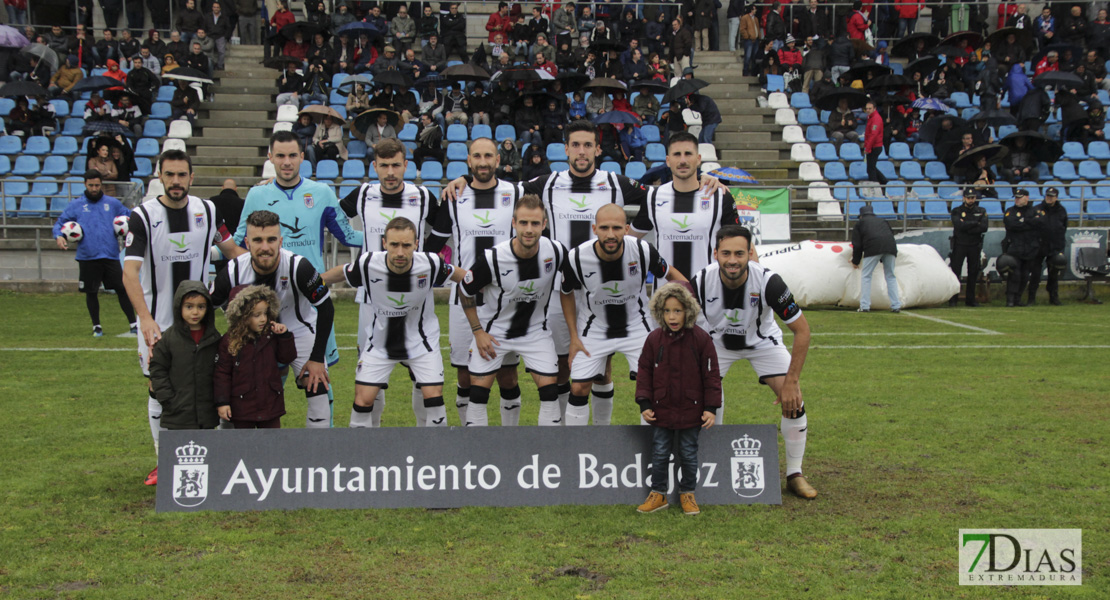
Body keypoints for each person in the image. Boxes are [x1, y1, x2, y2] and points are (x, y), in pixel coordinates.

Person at [123, 150, 245, 485]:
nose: (176, 181)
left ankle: (211, 457)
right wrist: (145, 320)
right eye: (170, 175)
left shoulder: (207, 210)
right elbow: (129, 273)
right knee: (158, 387)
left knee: (208, 384)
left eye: (182, 175)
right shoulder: (143, 217)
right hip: (158, 321)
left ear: (191, 177)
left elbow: (234, 252)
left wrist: (272, 264)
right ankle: (164, 460)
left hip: (200, 319)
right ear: (160, 176)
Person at [689, 225, 815, 498]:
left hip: (761, 343)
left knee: (794, 401)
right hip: (717, 345)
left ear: (750, 253)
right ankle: (711, 467)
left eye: (739, 253)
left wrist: (791, 382)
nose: (732, 260)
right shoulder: (700, 281)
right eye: (725, 253)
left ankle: (795, 473)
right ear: (715, 254)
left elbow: (802, 331)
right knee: (705, 400)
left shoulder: (770, 282)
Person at [322, 217, 467, 427]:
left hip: (422, 343)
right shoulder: (368, 263)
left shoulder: (430, 263)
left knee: (434, 400)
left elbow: (459, 274)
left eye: (407, 245)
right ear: (384, 244)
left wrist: (484, 281)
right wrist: (313, 281)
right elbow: (342, 272)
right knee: (362, 401)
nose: (400, 252)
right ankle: (359, 457)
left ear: (416, 244)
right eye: (394, 245)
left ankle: (434, 455)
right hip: (380, 344)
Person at [423, 138, 524, 425]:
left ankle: (509, 436)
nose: (482, 161)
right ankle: (470, 438)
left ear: (497, 160)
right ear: (469, 160)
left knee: (507, 373)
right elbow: (432, 251)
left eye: (488, 156)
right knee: (465, 374)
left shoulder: (515, 192)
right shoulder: (454, 199)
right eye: (476, 156)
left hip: (504, 299)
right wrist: (456, 274)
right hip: (463, 299)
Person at [337, 138, 438, 426]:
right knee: (371, 373)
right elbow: (333, 216)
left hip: (417, 297)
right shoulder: (362, 194)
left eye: (396, 165)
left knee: (422, 372)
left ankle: (425, 432)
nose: (391, 172)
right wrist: (355, 241)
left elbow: (443, 226)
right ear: (374, 166)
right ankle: (374, 435)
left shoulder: (422, 195)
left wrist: (426, 260)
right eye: (384, 166)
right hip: (372, 299)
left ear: (406, 165)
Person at [560, 204, 689, 426]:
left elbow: (670, 273)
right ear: (594, 229)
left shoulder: (642, 250)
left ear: (626, 229)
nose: (611, 234)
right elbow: (566, 293)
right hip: (594, 326)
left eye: (617, 228)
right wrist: (573, 336)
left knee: (652, 383)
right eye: (604, 228)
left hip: (637, 325)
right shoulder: (577, 257)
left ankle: (654, 448)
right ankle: (579, 446)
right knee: (579, 387)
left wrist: (690, 302)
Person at [211, 210, 335, 428]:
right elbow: (207, 306)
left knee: (318, 386)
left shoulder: (299, 266)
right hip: (250, 336)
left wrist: (316, 359)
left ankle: (317, 455)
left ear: (281, 241)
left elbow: (326, 307)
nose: (265, 247)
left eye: (271, 239)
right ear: (247, 242)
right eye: (258, 240)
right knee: (233, 389)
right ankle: (229, 454)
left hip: (297, 330)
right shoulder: (232, 271)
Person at [457, 194, 568, 426]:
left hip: (535, 332)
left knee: (550, 394)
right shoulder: (493, 258)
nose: (529, 229)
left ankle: (548, 454)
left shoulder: (556, 251)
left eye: (535, 223)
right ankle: (478, 456)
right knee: (478, 395)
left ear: (544, 225)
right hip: (494, 333)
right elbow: (465, 289)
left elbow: (575, 281)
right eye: (524, 223)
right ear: (514, 223)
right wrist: (478, 332)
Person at [635, 282, 720, 515]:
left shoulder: (702, 339)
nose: (672, 316)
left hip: (692, 411)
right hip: (661, 411)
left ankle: (687, 494)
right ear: (660, 312)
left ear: (688, 311)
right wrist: (645, 402)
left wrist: (710, 407)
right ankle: (658, 494)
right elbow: (644, 372)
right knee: (660, 453)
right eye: (667, 311)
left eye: (678, 311)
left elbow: (712, 376)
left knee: (689, 454)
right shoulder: (653, 339)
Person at [632, 132, 740, 278]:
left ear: (698, 159)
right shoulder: (653, 196)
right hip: (666, 295)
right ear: (668, 161)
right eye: (677, 154)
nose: (683, 160)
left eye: (688, 154)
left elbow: (741, 244)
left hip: (706, 293)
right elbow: (629, 240)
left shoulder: (720, 196)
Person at [53, 169, 137, 337]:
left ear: (101, 185)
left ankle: (133, 324)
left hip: (110, 255)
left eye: (97, 185)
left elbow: (130, 217)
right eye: (91, 185)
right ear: (85, 184)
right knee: (91, 292)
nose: (94, 188)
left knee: (122, 289)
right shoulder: (76, 205)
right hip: (88, 256)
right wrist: (59, 236)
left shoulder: (112, 204)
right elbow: (60, 223)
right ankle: (96, 327)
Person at [212, 285, 298, 429]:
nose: (263, 319)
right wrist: (222, 402)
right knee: (245, 447)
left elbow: (286, 358)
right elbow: (222, 374)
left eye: (265, 313)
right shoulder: (229, 341)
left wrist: (284, 336)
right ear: (242, 315)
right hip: (242, 407)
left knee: (272, 445)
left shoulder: (271, 335)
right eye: (256, 315)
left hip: (270, 405)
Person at [148, 281, 221, 432]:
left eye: (201, 307)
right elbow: (158, 370)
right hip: (177, 414)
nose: (195, 312)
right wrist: (168, 400)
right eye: (189, 306)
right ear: (178, 307)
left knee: (206, 454)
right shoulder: (168, 338)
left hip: (206, 416)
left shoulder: (214, 338)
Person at [851, 205, 902, 312]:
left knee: (866, 276)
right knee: (890, 276)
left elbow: (857, 245)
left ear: (861, 216)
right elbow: (889, 235)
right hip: (890, 247)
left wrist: (855, 261)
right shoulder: (882, 221)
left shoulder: (860, 224)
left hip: (872, 248)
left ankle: (865, 306)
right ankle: (896, 305)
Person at [949, 188, 989, 307]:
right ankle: (953, 299)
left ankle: (970, 300)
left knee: (973, 272)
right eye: (968, 198)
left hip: (974, 245)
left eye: (973, 198)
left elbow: (984, 227)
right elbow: (959, 225)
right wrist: (975, 223)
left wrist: (967, 224)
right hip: (960, 244)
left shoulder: (981, 210)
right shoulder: (957, 210)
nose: (971, 200)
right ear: (964, 198)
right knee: (956, 272)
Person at [1001, 188, 1042, 307]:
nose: (1017, 200)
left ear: (1027, 198)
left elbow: (1038, 224)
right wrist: (1027, 223)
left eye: (1020, 197)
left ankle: (1018, 299)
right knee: (1014, 275)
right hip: (1015, 248)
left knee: (1025, 275)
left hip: (1030, 248)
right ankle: (1010, 299)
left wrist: (1022, 223)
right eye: (1016, 198)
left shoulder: (1034, 211)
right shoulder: (1010, 211)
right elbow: (1010, 224)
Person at [1028, 187, 1067, 306]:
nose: (1049, 198)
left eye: (1052, 196)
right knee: (1035, 273)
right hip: (1039, 245)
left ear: (1056, 197)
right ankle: (1031, 298)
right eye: (1047, 196)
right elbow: (1030, 226)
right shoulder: (1037, 209)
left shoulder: (1061, 210)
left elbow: (1064, 227)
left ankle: (1053, 297)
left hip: (1055, 246)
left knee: (1053, 273)